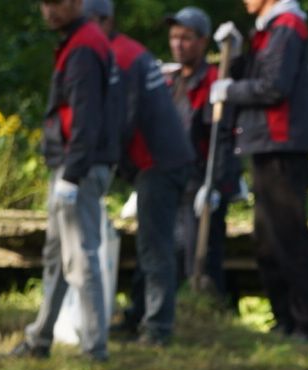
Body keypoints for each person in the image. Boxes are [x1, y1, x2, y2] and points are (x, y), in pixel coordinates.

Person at [12, 0, 121, 362]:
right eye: (44, 3)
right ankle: (40, 339)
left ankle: (94, 350)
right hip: (77, 164)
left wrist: (71, 175)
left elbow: (85, 117)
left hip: (80, 168)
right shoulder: (80, 40)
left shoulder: (84, 47)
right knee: (58, 257)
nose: (49, 10)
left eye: (58, 3)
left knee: (80, 257)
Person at [210, 0, 308, 341]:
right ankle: (285, 320)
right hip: (266, 146)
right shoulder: (270, 29)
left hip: (282, 147)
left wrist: (229, 90)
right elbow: (257, 73)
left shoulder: (288, 25)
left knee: (288, 238)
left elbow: (273, 85)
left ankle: (307, 326)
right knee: (266, 241)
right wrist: (234, 51)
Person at [88, 0, 196, 346]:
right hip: (160, 160)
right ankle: (139, 316)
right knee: (148, 241)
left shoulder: (121, 56)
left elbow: (123, 118)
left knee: (156, 246)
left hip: (160, 163)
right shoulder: (126, 50)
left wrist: (101, 159)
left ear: (105, 21)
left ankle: (157, 328)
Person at [164, 6, 239, 298]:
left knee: (203, 254)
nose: (178, 44)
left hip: (201, 179)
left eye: (186, 38)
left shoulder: (212, 82)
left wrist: (216, 183)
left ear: (202, 41)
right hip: (172, 178)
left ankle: (206, 308)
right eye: (174, 37)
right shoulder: (169, 80)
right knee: (171, 249)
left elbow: (222, 138)